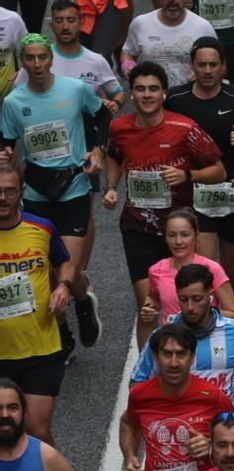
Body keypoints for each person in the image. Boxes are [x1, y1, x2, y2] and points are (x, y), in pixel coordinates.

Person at [0, 34, 108, 351]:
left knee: (68, 271)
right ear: (23, 62)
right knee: (45, 271)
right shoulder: (13, 102)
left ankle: (82, 299)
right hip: (35, 190)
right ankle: (63, 338)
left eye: (41, 58)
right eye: (29, 58)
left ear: (50, 59)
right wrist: (5, 155)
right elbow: (6, 142)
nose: (36, 65)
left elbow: (102, 115)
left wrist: (98, 151)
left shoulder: (74, 90)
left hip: (72, 186)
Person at [102, 62, 224, 325]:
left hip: (179, 228)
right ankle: (148, 365)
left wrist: (188, 175)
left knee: (192, 305)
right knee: (147, 306)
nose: (147, 95)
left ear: (164, 94)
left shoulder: (185, 128)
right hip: (138, 225)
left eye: (153, 89)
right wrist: (111, 187)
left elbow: (219, 170)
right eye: (140, 89)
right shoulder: (119, 128)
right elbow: (113, 156)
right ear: (131, 94)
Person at [164, 36, 234, 294]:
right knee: (204, 265)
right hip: (194, 190)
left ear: (223, 66)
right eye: (202, 65)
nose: (207, 71)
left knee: (231, 267)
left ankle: (231, 315)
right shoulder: (175, 99)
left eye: (213, 65)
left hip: (233, 188)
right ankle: (205, 318)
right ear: (192, 66)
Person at [118, 322, 234, 471]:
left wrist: (212, 445)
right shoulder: (140, 395)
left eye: (181, 354)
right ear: (156, 357)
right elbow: (129, 423)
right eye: (167, 354)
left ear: (192, 357)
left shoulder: (214, 396)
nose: (174, 363)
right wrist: (129, 457)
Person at [0, 163, 77, 445]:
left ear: (21, 192)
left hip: (40, 349)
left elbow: (65, 261)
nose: (2, 198)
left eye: (9, 191)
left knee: (37, 430)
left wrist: (63, 286)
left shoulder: (41, 227)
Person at [131, 261, 234, 405]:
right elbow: (137, 383)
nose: (190, 307)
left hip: (225, 423)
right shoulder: (162, 337)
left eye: (197, 299)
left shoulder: (233, 330)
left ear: (210, 293)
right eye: (183, 299)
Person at [140, 207, 234, 339]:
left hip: (206, 341)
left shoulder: (211, 269)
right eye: (172, 235)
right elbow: (154, 299)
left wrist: (203, 315)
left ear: (196, 236)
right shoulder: (156, 270)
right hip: (173, 344)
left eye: (185, 235)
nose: (178, 241)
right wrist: (149, 311)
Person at [119, 0, 215, 88]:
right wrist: (128, 66)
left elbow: (221, 64)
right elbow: (128, 53)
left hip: (188, 96)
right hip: (150, 96)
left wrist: (202, 75)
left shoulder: (203, 27)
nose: (172, 1)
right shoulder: (140, 23)